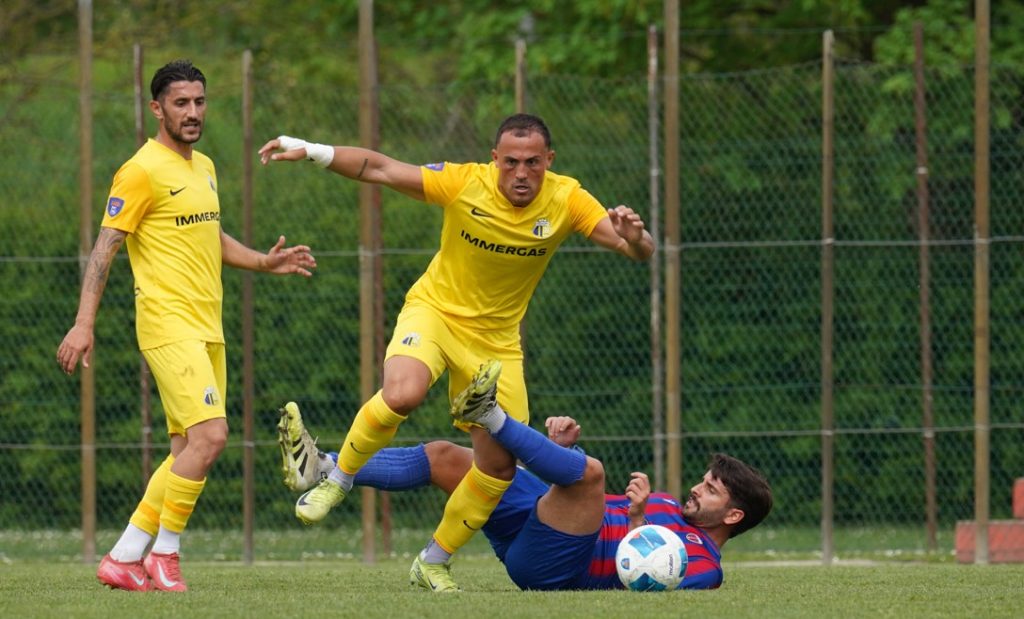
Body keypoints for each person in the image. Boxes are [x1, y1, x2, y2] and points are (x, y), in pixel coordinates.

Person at [258, 113, 655, 591]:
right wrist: (312, 148)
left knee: (498, 469)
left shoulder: (567, 198)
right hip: (435, 314)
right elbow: (380, 168)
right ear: (494, 159)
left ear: (549, 160)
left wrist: (636, 237)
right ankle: (336, 480)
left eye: (532, 162)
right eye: (510, 162)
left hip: (497, 343)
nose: (521, 173)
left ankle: (433, 561)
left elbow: (636, 249)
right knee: (402, 394)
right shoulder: (465, 182)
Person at [56, 59, 317, 593]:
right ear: (157, 109)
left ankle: (123, 557)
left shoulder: (205, 168)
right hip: (167, 323)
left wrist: (264, 262)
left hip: (207, 327)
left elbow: (210, 237)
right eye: (181, 103)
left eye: (199, 101)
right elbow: (106, 247)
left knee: (186, 452)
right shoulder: (140, 170)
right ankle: (164, 554)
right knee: (211, 436)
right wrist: (83, 324)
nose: (193, 112)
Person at [276, 383, 773, 591]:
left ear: (733, 516)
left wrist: (637, 519)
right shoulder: (667, 502)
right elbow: (579, 504)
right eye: (704, 480)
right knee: (448, 458)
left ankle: (491, 414)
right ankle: (322, 468)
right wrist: (561, 454)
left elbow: (641, 581)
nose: (696, 489)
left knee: (592, 472)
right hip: (543, 527)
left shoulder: (707, 569)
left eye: (711, 490)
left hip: (557, 567)